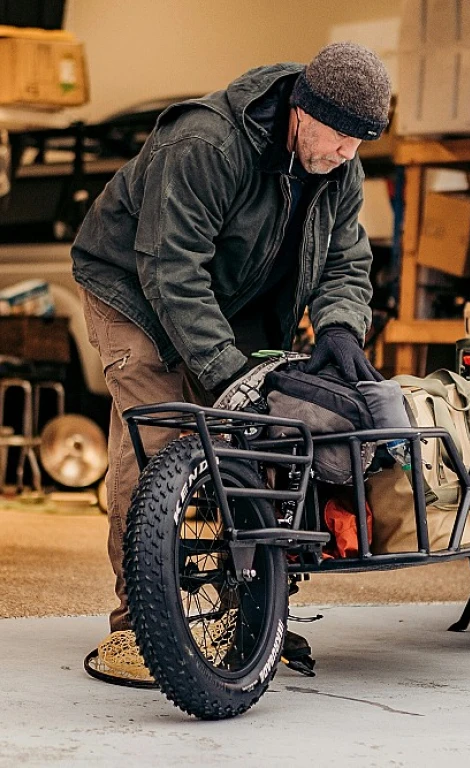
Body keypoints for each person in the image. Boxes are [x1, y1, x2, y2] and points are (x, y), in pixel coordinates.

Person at [72, 42, 391, 685]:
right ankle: (141, 627)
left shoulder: (339, 166)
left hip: (229, 297)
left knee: (247, 448)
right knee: (160, 440)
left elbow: (346, 261)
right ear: (302, 110)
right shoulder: (205, 144)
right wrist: (223, 371)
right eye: (339, 137)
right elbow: (170, 267)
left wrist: (338, 326)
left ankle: (245, 613)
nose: (347, 155)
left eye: (362, 142)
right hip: (132, 285)